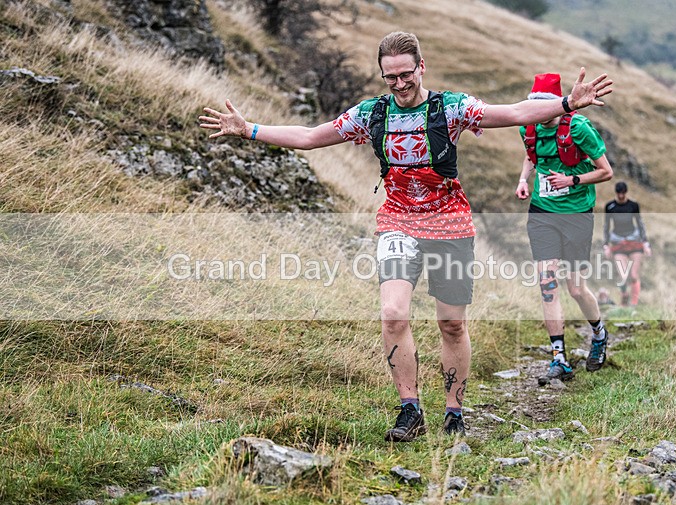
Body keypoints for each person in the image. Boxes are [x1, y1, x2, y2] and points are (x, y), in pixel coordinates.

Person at [200, 32, 612, 442]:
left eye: (405, 74)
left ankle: (454, 410)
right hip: (397, 221)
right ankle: (410, 410)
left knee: (451, 324)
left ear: (421, 67)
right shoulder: (371, 114)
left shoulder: (451, 108)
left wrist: (565, 104)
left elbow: (512, 113)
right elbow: (310, 138)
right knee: (393, 313)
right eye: (389, 77)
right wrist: (249, 129)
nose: (399, 84)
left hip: (450, 223)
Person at [515, 72, 614, 386]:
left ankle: (599, 333)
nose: (541, 116)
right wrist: (523, 180)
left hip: (577, 214)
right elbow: (532, 155)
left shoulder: (579, 128)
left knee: (575, 288)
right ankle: (558, 358)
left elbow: (605, 172)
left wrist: (572, 180)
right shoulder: (527, 127)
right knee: (547, 283)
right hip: (542, 212)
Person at [603, 181, 651, 306]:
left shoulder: (633, 205)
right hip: (618, 242)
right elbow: (606, 226)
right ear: (616, 193)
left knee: (634, 275)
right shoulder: (610, 207)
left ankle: (634, 304)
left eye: (623, 193)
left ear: (626, 193)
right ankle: (624, 298)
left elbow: (640, 223)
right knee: (623, 276)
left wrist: (645, 243)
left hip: (634, 241)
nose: (621, 196)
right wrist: (606, 245)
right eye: (619, 193)